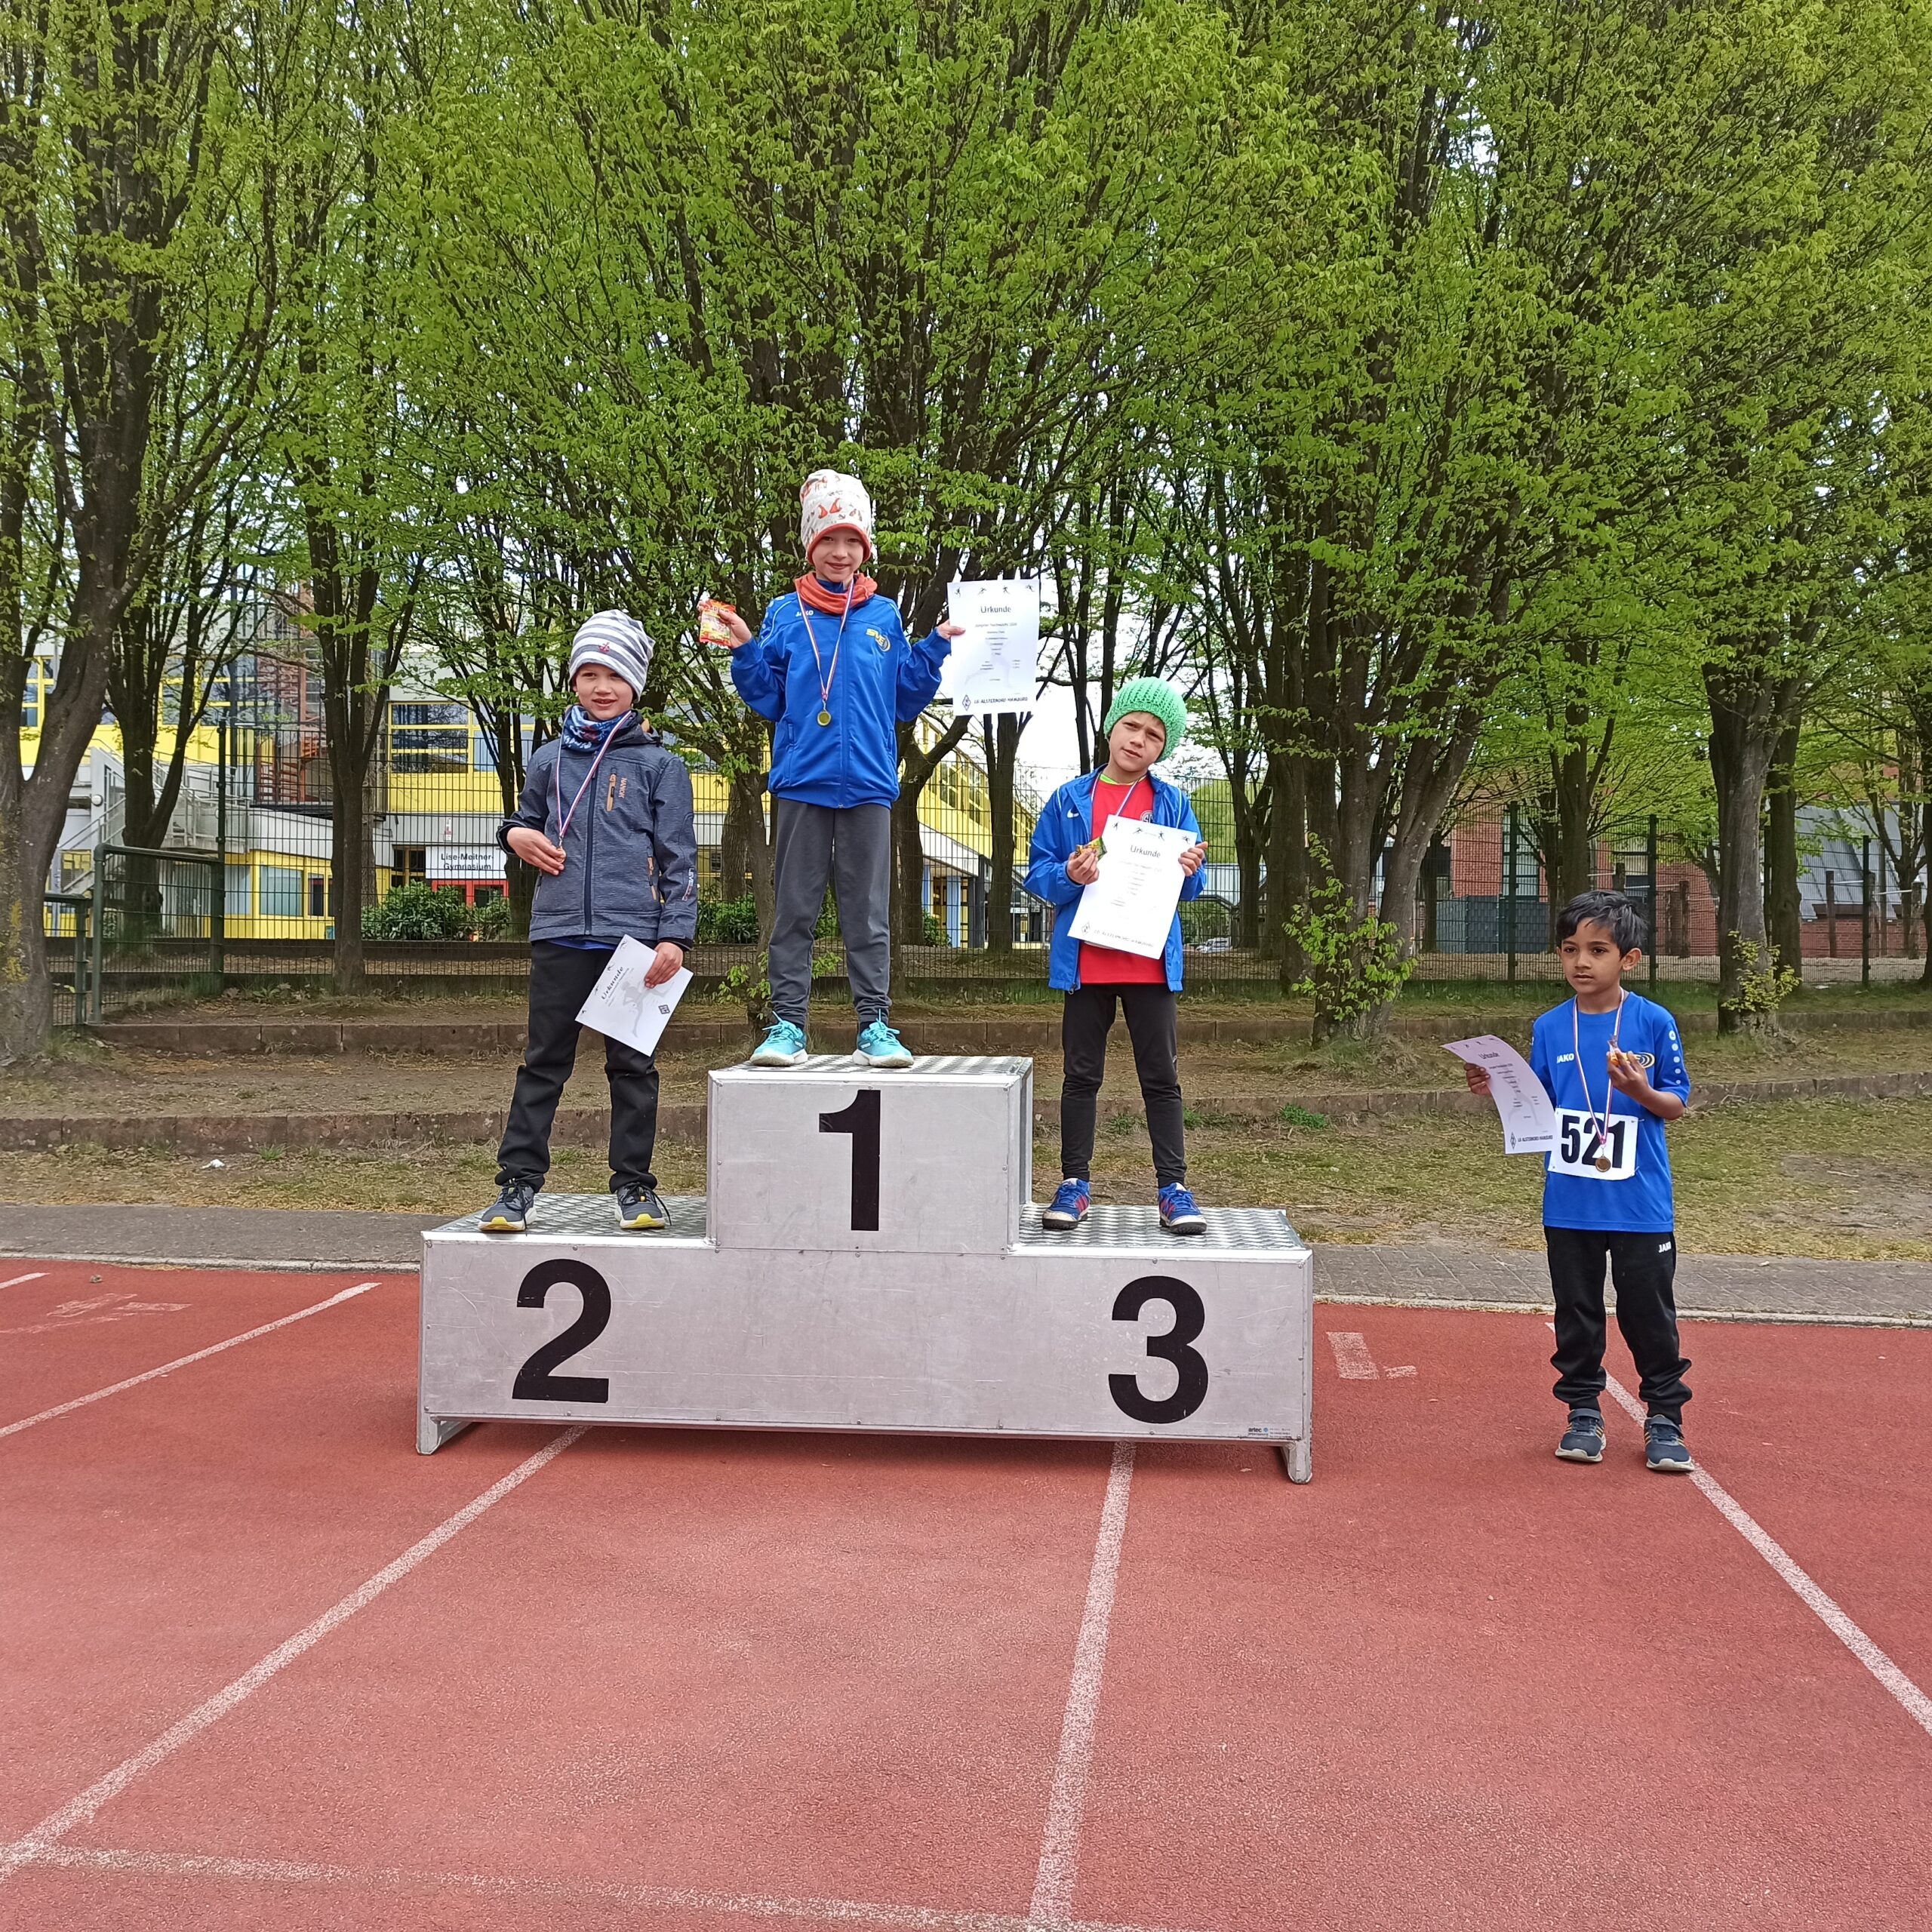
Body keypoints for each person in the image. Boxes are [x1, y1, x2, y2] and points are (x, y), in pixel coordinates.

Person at [715, 469, 960, 1069]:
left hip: (870, 784)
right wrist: (745, 649)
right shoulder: (784, 613)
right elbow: (769, 698)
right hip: (803, 782)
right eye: (829, 539)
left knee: (868, 915)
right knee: (794, 911)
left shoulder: (884, 616)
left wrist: (932, 648)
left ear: (865, 549)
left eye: (853, 540)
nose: (842, 552)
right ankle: (787, 1028)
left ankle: (875, 1025)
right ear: (810, 545)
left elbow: (905, 699)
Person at [480, 611, 697, 1235]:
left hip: (635, 942)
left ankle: (635, 1188)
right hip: (559, 933)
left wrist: (674, 936)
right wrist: (514, 835)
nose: (603, 687)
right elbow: (522, 822)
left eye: (616, 676)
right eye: (590, 674)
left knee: (632, 1068)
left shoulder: (661, 766)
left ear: (636, 684)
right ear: (574, 681)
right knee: (543, 1063)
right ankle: (517, 1188)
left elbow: (680, 858)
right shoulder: (548, 759)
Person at [1463, 888, 1695, 1472]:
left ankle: (1664, 1417)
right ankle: (1583, 1412)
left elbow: (1676, 1104)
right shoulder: (1549, 1027)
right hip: (1570, 1201)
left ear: (1629, 959)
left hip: (1639, 1203)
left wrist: (1641, 1091)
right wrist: (1496, 1087)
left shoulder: (1653, 1021)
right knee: (1576, 1311)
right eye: (1570, 950)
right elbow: (1537, 1105)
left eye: (1597, 950)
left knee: (1648, 1313)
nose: (1581, 962)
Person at [1024, 678, 1211, 1237]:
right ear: (1112, 727)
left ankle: (1173, 1189)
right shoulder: (1069, 799)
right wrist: (1068, 874)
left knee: (1162, 1078)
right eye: (1132, 726)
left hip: (1149, 964)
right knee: (1080, 1076)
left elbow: (1192, 887)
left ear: (1163, 748)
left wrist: (1191, 871)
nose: (1139, 740)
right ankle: (1074, 1183)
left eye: (1154, 736)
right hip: (1087, 963)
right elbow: (1039, 873)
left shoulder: (1173, 803)